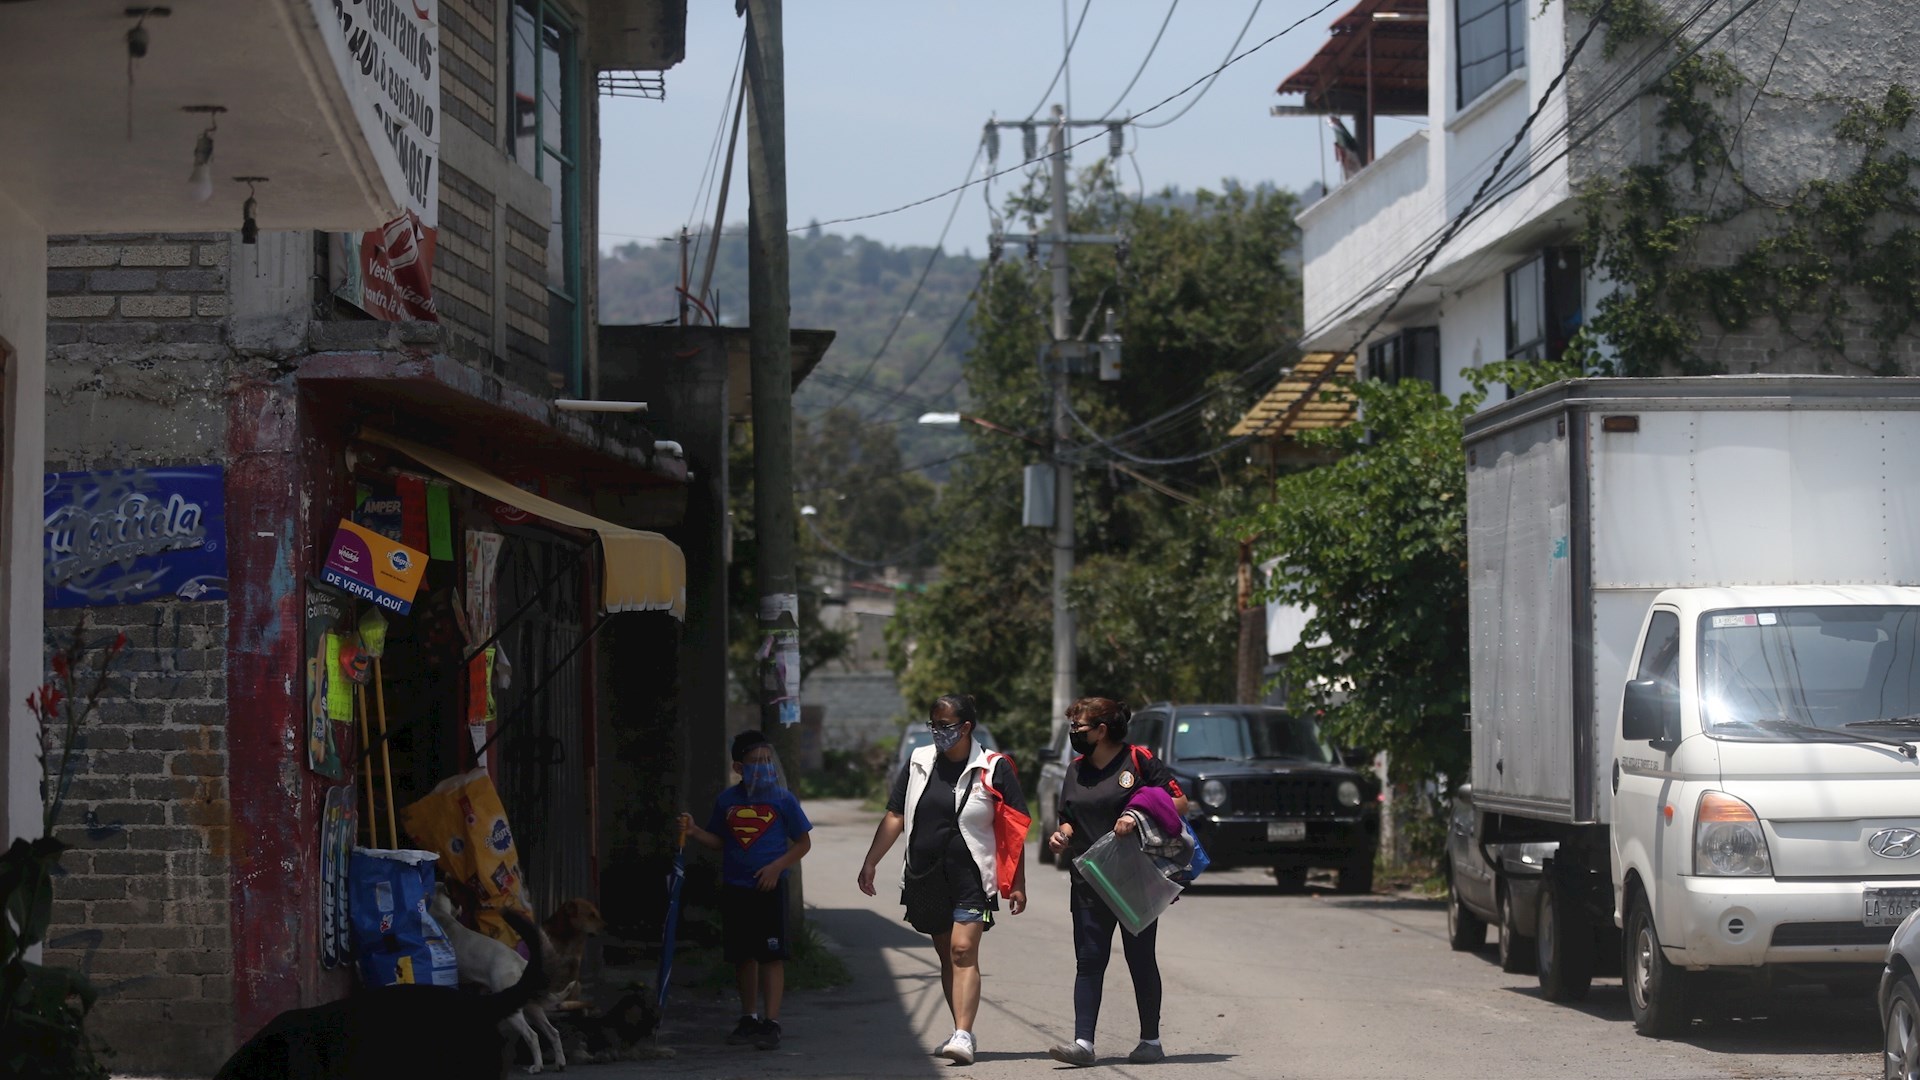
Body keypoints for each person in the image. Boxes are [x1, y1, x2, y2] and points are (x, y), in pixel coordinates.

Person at [857, 694, 1027, 1066]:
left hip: (972, 877)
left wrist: (1016, 881)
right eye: (933, 724)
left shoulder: (994, 768)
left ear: (966, 727)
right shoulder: (919, 761)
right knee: (946, 955)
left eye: (945, 726)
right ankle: (959, 1030)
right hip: (925, 874)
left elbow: (1012, 829)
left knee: (963, 951)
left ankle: (964, 1034)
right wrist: (871, 861)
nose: (937, 732)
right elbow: (895, 815)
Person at [1046, 696, 1189, 1067]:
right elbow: (1068, 818)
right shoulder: (1075, 769)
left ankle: (1150, 1041)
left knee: (1140, 959)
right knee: (1089, 960)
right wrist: (1062, 835)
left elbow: (1180, 802)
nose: (1074, 734)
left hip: (1133, 879)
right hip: (1088, 879)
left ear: (1102, 730)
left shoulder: (1137, 760)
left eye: (1078, 728)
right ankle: (1083, 1044)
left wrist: (1137, 813)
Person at [680, 730, 812, 1052]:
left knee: (771, 955)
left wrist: (777, 867)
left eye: (768, 761)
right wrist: (695, 832)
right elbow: (719, 841)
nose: (765, 768)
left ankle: (772, 1021)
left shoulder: (783, 799)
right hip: (736, 888)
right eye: (756, 762)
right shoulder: (728, 800)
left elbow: (803, 843)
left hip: (770, 889)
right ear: (739, 767)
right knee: (743, 955)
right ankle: (748, 1017)